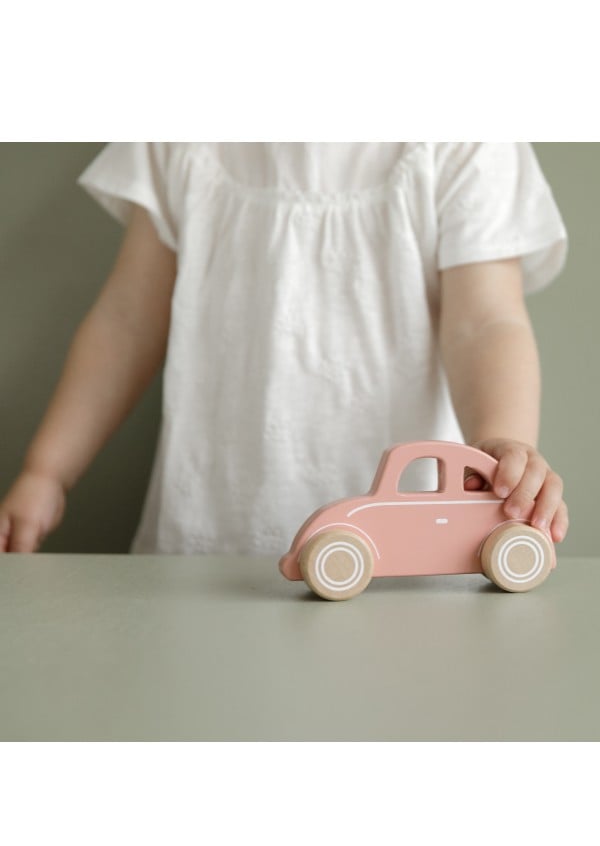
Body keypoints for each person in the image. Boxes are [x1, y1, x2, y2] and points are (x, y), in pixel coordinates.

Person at [0, 142, 569, 555]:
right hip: (212, 524)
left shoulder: (464, 138)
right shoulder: (184, 134)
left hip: (409, 545)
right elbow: (127, 321)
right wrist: (48, 470)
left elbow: (486, 324)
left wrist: (501, 451)